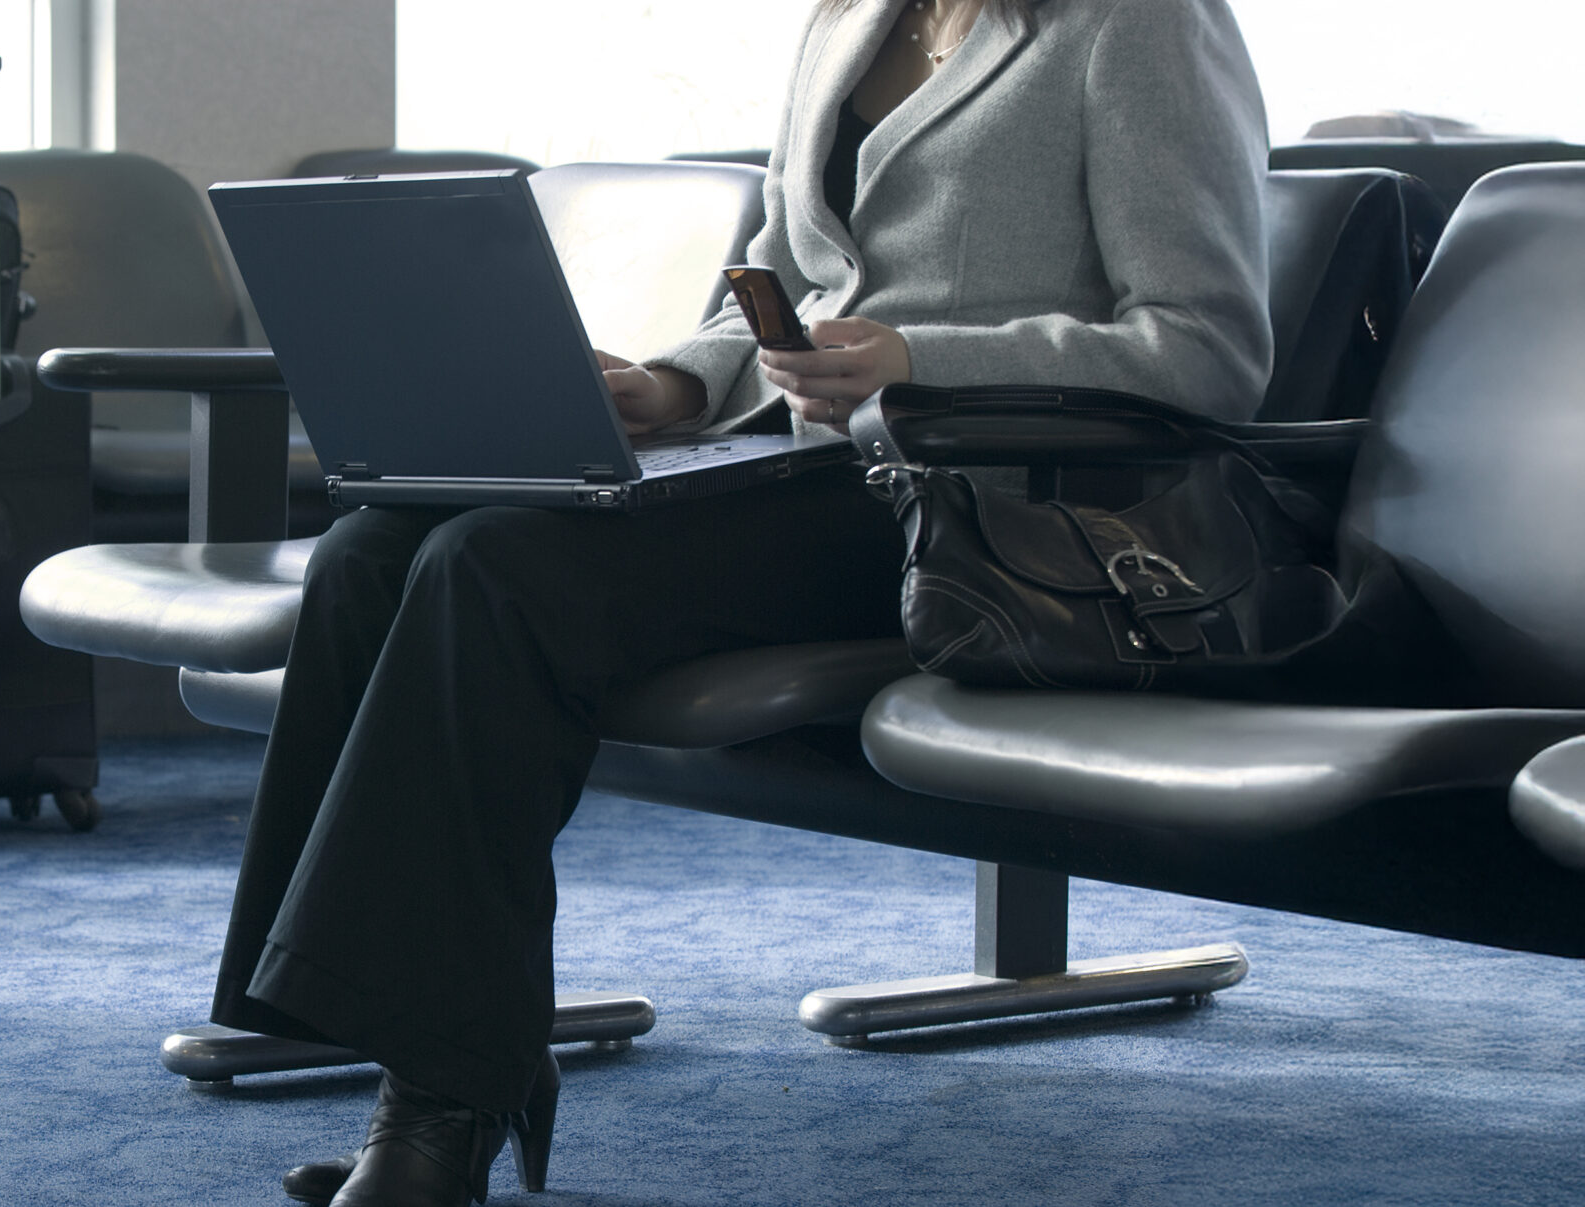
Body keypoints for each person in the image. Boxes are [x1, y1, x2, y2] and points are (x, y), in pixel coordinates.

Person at [229, 1, 1273, 1203]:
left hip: (972, 504)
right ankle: (430, 1056)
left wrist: (919, 357)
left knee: (495, 564)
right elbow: (774, 284)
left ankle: (444, 1101)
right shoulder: (845, 20)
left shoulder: (1137, 24)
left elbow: (1206, 345)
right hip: (789, 470)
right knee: (368, 547)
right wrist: (677, 385)